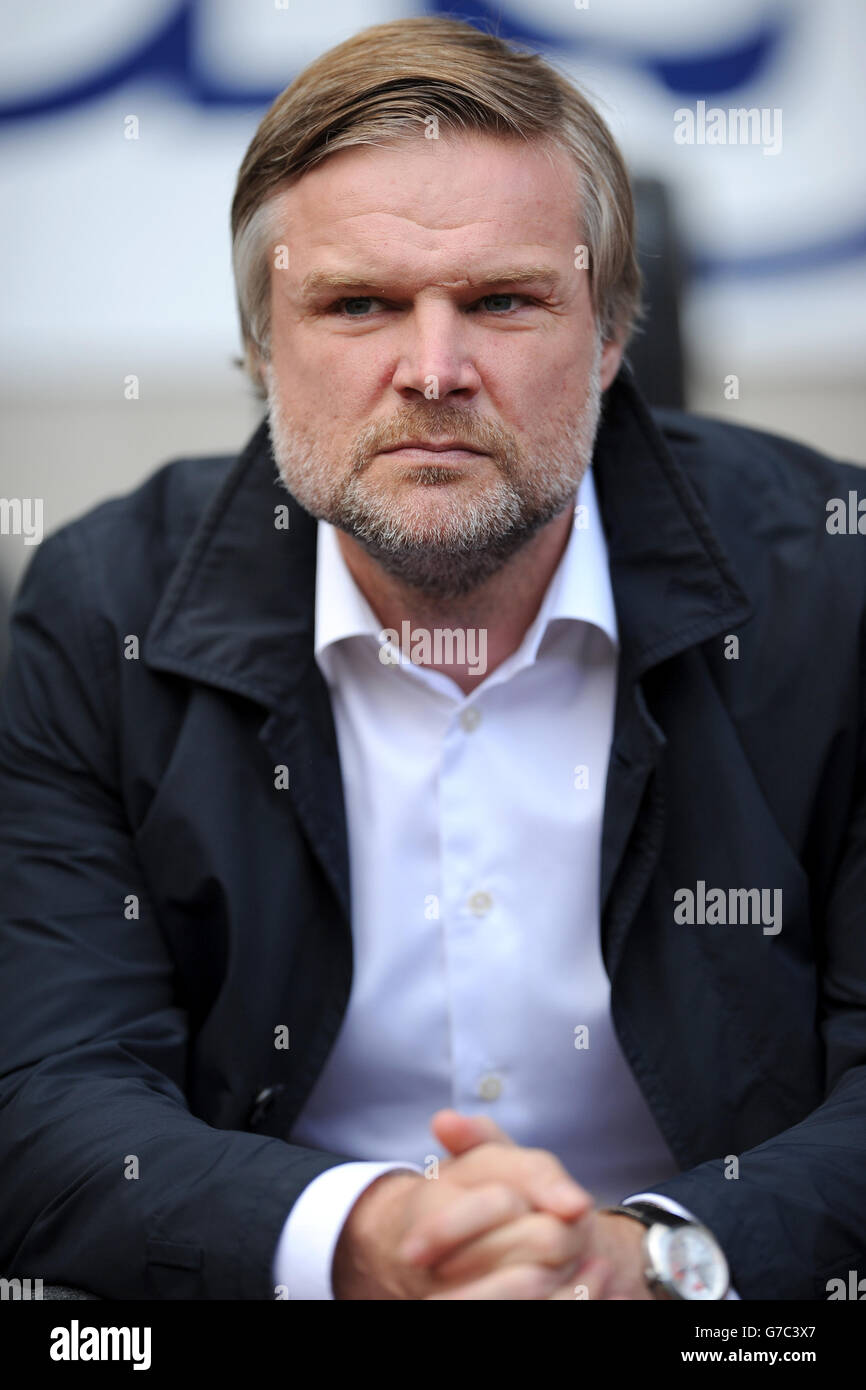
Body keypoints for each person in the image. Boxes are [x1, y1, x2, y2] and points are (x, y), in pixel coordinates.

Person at [1, 16, 864, 1303]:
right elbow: (45, 1097)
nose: (433, 371)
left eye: (502, 301)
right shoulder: (95, 611)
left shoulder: (836, 588)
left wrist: (648, 1258)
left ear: (613, 332)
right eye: (357, 305)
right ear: (257, 347)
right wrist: (368, 1242)